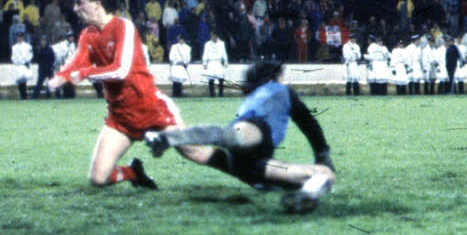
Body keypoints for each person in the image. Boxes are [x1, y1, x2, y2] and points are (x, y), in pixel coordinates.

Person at [45, 0, 188, 190]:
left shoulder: (123, 26)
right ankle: (133, 173)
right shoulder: (88, 34)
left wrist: (81, 74)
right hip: (120, 115)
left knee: (195, 153)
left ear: (96, 3)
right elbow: (79, 59)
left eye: (79, 3)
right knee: (98, 179)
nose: (75, 8)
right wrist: (61, 76)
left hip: (148, 107)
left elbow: (120, 70)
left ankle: (239, 166)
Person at [144, 59, 336, 213]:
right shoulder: (279, 90)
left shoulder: (252, 96)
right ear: (273, 77)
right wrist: (322, 153)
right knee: (325, 174)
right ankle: (168, 138)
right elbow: (308, 123)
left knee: (213, 148)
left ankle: (304, 195)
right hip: (256, 140)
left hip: (246, 164)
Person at [202, 30, 229, 97]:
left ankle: (221, 94)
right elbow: (205, 54)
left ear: (216, 36)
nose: (212, 37)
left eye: (214, 35)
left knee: (221, 78)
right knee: (211, 79)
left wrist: (225, 61)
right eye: (211, 36)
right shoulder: (207, 44)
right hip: (211, 62)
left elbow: (224, 53)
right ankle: (212, 94)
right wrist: (204, 63)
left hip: (218, 62)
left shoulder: (222, 43)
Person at [32, 33, 56, 98]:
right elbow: (38, 59)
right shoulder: (39, 50)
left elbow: (53, 58)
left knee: (52, 83)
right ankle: (34, 96)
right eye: (42, 41)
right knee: (39, 83)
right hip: (42, 69)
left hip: (49, 68)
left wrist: (51, 66)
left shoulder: (50, 49)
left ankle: (50, 95)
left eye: (44, 41)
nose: (43, 42)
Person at [168, 33, 191, 98]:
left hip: (182, 65)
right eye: (179, 39)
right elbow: (171, 56)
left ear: (183, 40)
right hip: (176, 65)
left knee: (180, 80)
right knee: (175, 80)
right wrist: (174, 61)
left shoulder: (187, 48)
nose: (181, 40)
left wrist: (186, 63)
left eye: (182, 39)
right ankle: (174, 93)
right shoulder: (174, 47)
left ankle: (179, 93)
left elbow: (188, 57)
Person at [10, 31, 33, 100]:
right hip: (18, 65)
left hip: (25, 64)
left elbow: (30, 55)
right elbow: (13, 57)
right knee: (19, 81)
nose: (19, 38)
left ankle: (24, 95)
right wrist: (15, 62)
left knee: (24, 80)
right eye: (18, 37)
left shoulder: (27, 46)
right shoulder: (14, 47)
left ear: (23, 38)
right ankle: (21, 95)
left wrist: (26, 61)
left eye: (20, 37)